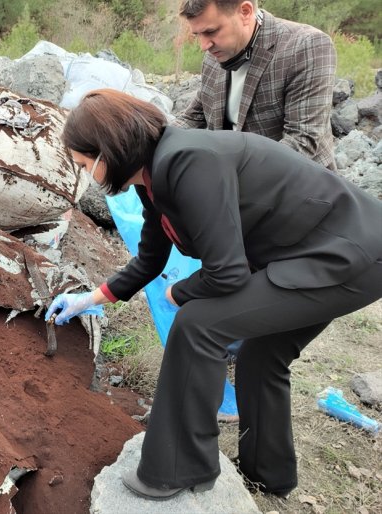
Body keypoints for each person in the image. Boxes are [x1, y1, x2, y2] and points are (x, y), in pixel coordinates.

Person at [45, 89, 382, 501]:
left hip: (347, 255)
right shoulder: (153, 179)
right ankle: (268, 475)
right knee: (262, 354)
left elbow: (227, 275)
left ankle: (177, 469)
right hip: (326, 253)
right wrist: (90, 298)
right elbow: (150, 258)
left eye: (84, 163)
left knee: (199, 323)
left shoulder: (187, 160)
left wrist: (179, 292)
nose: (86, 173)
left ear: (107, 151)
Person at [174, 0, 337, 170]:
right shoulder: (215, 54)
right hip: (232, 179)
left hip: (299, 185)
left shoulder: (306, 46)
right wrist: (153, 138)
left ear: (245, 12)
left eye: (211, 31)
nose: (203, 45)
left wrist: (226, 177)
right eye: (197, 35)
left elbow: (301, 143)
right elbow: (194, 116)